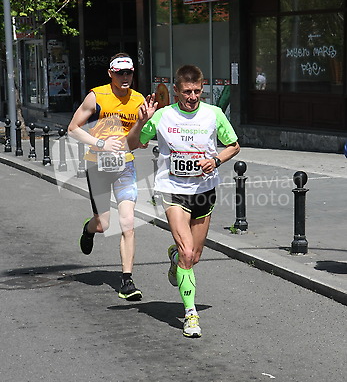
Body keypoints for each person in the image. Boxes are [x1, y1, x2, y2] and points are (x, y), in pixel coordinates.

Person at [127, 64, 240, 337]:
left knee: (194, 256)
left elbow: (234, 145)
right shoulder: (163, 116)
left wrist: (215, 160)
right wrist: (142, 121)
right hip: (172, 190)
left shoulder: (213, 115)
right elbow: (131, 143)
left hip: (204, 191)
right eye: (187, 92)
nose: (192, 97)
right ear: (176, 91)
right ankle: (191, 315)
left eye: (197, 91)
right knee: (189, 254)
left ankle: (174, 257)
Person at [68, 52, 145, 301]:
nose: (125, 77)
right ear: (110, 74)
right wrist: (100, 143)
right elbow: (73, 129)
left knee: (128, 224)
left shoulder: (139, 100)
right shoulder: (97, 96)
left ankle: (127, 281)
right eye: (120, 73)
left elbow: (137, 139)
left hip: (125, 166)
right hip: (98, 167)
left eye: (129, 72)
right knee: (104, 224)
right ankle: (89, 230)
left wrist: (142, 135)